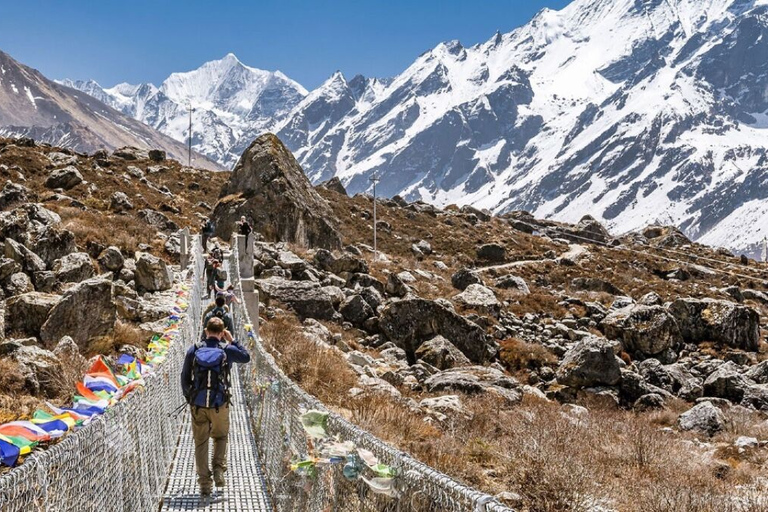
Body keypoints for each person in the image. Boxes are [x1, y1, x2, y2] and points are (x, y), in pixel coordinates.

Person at [181, 317, 250, 496]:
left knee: (200, 443)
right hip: (220, 403)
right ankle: (218, 468)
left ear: (205, 331)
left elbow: (184, 376)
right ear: (221, 333)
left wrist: (190, 397)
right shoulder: (227, 350)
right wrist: (232, 340)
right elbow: (246, 357)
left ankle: (205, 484)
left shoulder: (194, 349)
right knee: (220, 437)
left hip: (198, 404)